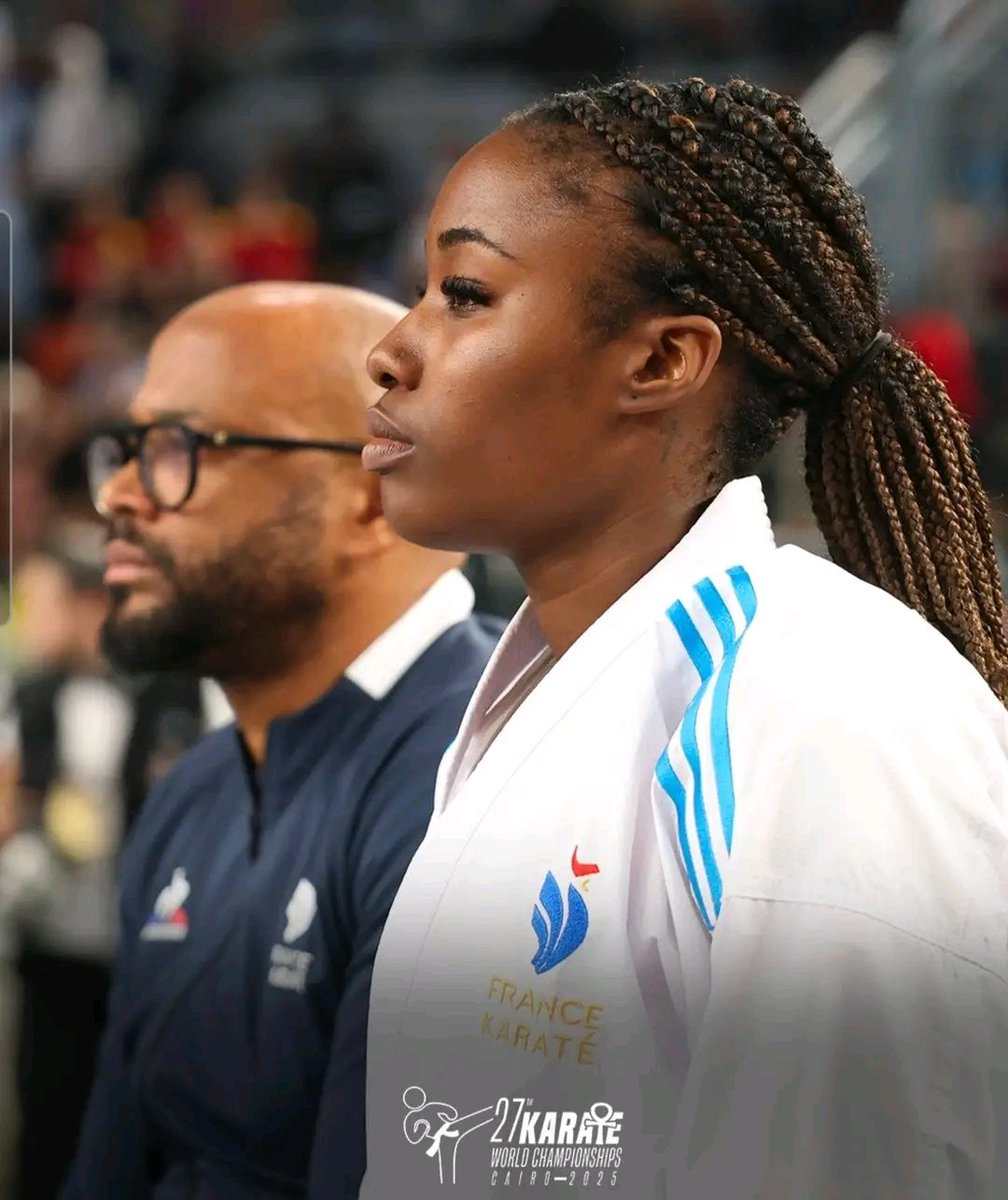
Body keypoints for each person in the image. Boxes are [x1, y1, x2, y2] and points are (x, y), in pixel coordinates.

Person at [358, 78, 1008, 1198]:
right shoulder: (550, 691)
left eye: (464, 294)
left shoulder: (827, 714)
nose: (391, 350)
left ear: (662, 363)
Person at [62, 282, 501, 1200]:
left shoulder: (488, 780)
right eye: (130, 445)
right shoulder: (197, 793)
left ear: (370, 501)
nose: (118, 493)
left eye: (180, 446)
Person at [3, 530, 210, 1200]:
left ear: (94, 603)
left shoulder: (172, 696)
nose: (29, 620)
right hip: (51, 948)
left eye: (45, 602)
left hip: (146, 952)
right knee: (46, 1119)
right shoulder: (30, 699)